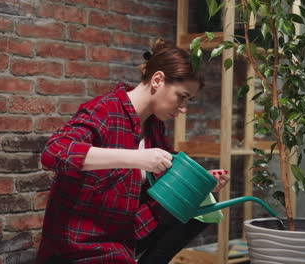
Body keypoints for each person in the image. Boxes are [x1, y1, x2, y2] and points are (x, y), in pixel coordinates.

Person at [35, 39, 231, 264]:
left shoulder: (154, 126)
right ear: (157, 80)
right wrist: (137, 158)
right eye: (182, 96)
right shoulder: (105, 110)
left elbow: (165, 176)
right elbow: (54, 152)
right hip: (81, 243)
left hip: (123, 235)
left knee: (199, 209)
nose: (183, 108)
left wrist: (202, 182)